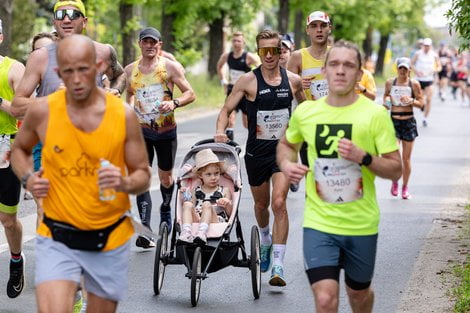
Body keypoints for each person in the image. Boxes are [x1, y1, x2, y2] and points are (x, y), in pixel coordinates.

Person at [11, 34, 151, 313]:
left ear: (98, 66)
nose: (76, 79)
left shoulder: (121, 115)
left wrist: (124, 182)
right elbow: (19, 151)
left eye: (83, 69)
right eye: (68, 71)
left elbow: (143, 175)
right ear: (57, 72)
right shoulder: (43, 111)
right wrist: (29, 177)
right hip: (57, 233)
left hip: (107, 236)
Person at [277, 40, 402, 313]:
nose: (340, 71)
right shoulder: (307, 113)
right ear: (324, 70)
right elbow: (286, 144)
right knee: (325, 300)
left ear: (360, 74)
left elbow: (396, 169)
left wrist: (365, 158)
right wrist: (286, 166)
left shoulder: (376, 115)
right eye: (334, 64)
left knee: (358, 296)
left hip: (361, 224)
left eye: (349, 65)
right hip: (319, 222)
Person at [215, 30, 306, 287]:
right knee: (261, 206)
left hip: (283, 153)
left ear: (280, 52)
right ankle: (265, 238)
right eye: (263, 50)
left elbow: (307, 109)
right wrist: (220, 131)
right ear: (258, 52)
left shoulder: (294, 81)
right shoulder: (247, 81)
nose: (268, 55)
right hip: (256, 154)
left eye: (273, 50)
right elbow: (225, 109)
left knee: (279, 203)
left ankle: (278, 264)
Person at [125, 27, 195, 248]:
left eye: (153, 42)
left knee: (165, 178)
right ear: (140, 44)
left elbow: (190, 93)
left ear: (160, 45)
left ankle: (166, 208)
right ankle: (145, 230)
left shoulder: (169, 68)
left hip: (165, 132)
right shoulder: (130, 70)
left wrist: (173, 103)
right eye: (146, 42)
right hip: (141, 133)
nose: (150, 46)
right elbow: (128, 94)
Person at [11, 0, 127, 121]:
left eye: (74, 14)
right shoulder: (39, 57)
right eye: (60, 15)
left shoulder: (104, 52)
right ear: (54, 22)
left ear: (84, 22)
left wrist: (115, 91)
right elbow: (16, 107)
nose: (66, 20)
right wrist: (52, 100)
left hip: (94, 134)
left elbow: (120, 75)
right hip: (52, 135)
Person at [0, 18, 26, 299]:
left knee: (8, 220)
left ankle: (16, 260)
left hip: (7, 147)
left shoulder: (13, 69)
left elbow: (23, 111)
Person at [288, 11, 332, 167]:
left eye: (323, 26)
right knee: (312, 174)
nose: (319, 30)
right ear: (308, 30)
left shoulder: (337, 55)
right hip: (308, 122)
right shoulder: (297, 57)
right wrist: (298, 87)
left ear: (329, 28)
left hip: (334, 121)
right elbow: (286, 91)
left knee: (333, 174)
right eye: (314, 26)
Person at [384, 57, 423, 199]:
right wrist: (387, 102)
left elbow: (421, 103)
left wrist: (411, 101)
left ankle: (405, 187)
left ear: (409, 70)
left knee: (406, 159)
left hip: (408, 122)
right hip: (393, 121)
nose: (402, 71)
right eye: (400, 68)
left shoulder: (414, 84)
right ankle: (395, 181)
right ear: (397, 68)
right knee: (394, 156)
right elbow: (386, 97)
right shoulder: (390, 82)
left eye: (405, 68)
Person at [178, 148, 233, 244]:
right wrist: (185, 194)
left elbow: (230, 214)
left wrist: (227, 203)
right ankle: (186, 232)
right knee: (187, 204)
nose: (213, 177)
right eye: (208, 174)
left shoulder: (224, 190)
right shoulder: (196, 190)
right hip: (198, 218)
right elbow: (191, 206)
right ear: (200, 176)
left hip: (215, 219)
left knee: (207, 204)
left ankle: (202, 233)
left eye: (216, 173)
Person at [216, 31, 260, 140]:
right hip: (233, 90)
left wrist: (254, 83)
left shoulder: (248, 57)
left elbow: (260, 67)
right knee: (230, 118)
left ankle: (255, 140)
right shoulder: (227, 56)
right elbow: (219, 66)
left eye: (239, 41)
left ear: (243, 43)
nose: (236, 43)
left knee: (246, 123)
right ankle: (230, 145)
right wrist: (224, 82)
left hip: (245, 92)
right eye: (234, 41)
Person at [411, 37, 440, 127]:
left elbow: (439, 66)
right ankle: (422, 106)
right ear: (423, 45)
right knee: (421, 100)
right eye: (425, 45)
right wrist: (416, 71)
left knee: (429, 99)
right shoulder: (418, 54)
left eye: (428, 46)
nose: (426, 47)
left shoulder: (434, 55)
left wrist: (434, 71)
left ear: (430, 46)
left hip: (429, 80)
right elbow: (411, 64)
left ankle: (425, 118)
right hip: (419, 80)